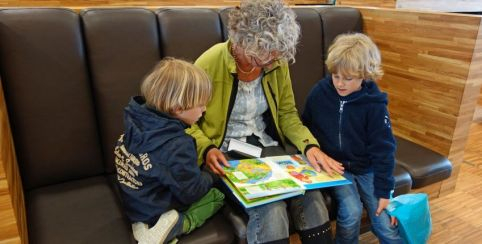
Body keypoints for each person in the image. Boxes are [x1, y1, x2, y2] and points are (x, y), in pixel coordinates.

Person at [187, 0, 343, 243]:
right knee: (272, 209)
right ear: (242, 41)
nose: (273, 60)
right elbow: (185, 122)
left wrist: (310, 146)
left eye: (276, 54)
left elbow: (287, 114)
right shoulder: (209, 63)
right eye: (265, 54)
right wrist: (206, 149)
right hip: (225, 151)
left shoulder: (275, 61)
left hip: (266, 145)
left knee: (312, 199)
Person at [302, 33, 403, 244]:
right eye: (336, 76)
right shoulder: (319, 93)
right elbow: (305, 128)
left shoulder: (374, 104)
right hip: (337, 168)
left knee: (385, 222)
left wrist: (385, 191)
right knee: (351, 212)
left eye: (348, 79)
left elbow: (384, 150)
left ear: (365, 75)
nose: (340, 84)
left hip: (367, 168)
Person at [113, 58, 225, 244]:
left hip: (134, 203)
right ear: (178, 108)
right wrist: (211, 174)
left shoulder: (137, 117)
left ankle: (145, 226)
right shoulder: (176, 145)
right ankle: (177, 224)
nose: (204, 110)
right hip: (156, 208)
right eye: (201, 105)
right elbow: (192, 192)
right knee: (217, 197)